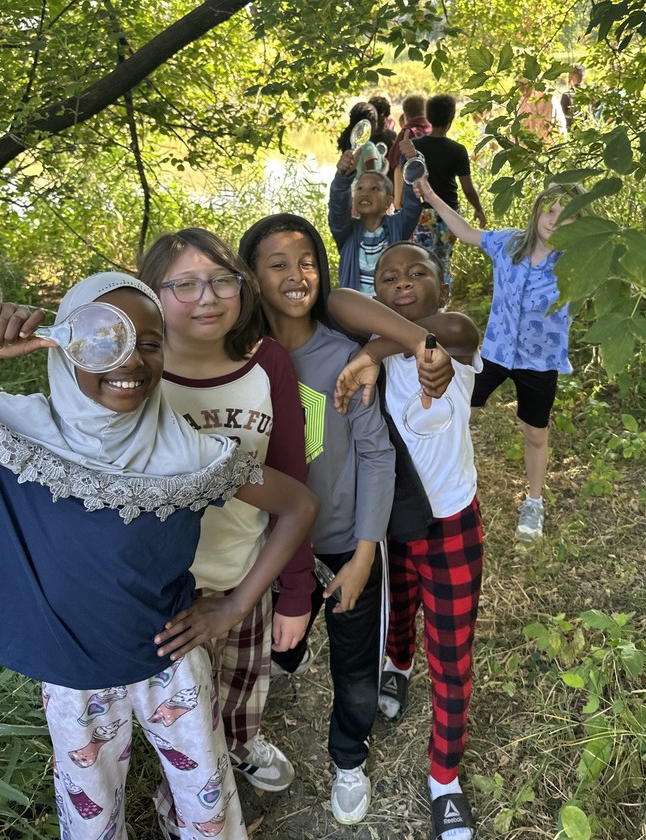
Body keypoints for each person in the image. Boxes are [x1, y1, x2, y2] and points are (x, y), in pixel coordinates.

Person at [0, 273, 318, 840]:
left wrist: (235, 605)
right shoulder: (11, 434)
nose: (129, 359)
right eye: (103, 339)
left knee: (208, 811)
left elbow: (298, 505)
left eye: (149, 343)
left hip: (171, 667)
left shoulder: (190, 454)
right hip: (72, 681)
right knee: (91, 817)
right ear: (64, 344)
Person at [238, 214, 450, 825]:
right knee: (274, 644)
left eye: (306, 261)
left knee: (356, 664)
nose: (295, 274)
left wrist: (363, 554)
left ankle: (349, 759)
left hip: (344, 542)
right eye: (277, 264)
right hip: (270, 546)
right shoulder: (240, 359)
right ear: (252, 277)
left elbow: (377, 455)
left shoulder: (345, 358)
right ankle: (266, 697)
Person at [137, 229, 315, 817]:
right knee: (187, 717)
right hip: (166, 591)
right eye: (184, 285)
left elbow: (292, 479)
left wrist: (293, 592)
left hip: (247, 571)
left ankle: (240, 744)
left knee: (244, 687)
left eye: (221, 280)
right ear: (151, 294)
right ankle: (181, 801)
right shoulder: (132, 374)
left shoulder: (268, 362)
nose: (208, 297)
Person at [329, 243, 484, 840]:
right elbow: (338, 301)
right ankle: (398, 665)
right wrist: (376, 349)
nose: (402, 281)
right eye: (388, 277)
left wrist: (380, 349)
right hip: (392, 525)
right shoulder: (376, 345)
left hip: (452, 527)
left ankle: (444, 777)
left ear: (443, 285)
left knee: (453, 653)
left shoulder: (450, 345)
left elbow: (454, 328)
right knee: (398, 617)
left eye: (419, 272)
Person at [414, 177, 588, 542]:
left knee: (535, 433)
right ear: (537, 209)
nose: (554, 220)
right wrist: (431, 195)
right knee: (459, 412)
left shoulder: (579, 263)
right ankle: (439, 484)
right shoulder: (508, 244)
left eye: (566, 215)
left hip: (540, 363)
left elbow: (633, 279)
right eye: (550, 209)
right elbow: (465, 232)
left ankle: (534, 502)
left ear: (579, 222)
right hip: (495, 353)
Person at [399, 93, 487, 288]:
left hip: (421, 213)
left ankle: (424, 296)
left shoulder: (414, 147)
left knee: (422, 261)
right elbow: (468, 189)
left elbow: (403, 177)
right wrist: (478, 209)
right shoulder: (457, 150)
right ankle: (443, 298)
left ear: (428, 118)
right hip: (449, 215)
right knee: (444, 260)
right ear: (451, 119)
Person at [328, 162, 422, 294]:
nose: (365, 193)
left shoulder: (397, 227)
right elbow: (338, 208)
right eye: (360, 188)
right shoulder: (346, 231)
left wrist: (412, 162)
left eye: (374, 189)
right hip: (354, 305)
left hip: (388, 304)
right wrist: (342, 177)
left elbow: (412, 207)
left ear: (388, 202)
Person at [389, 93, 432, 207]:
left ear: (406, 115)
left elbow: (399, 167)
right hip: (434, 194)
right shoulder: (433, 130)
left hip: (413, 195)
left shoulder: (407, 133)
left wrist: (397, 201)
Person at [560, 64, 586, 132]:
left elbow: (561, 117)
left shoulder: (567, 96)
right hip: (586, 130)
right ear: (583, 78)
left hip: (570, 131)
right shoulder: (588, 95)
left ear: (571, 77)